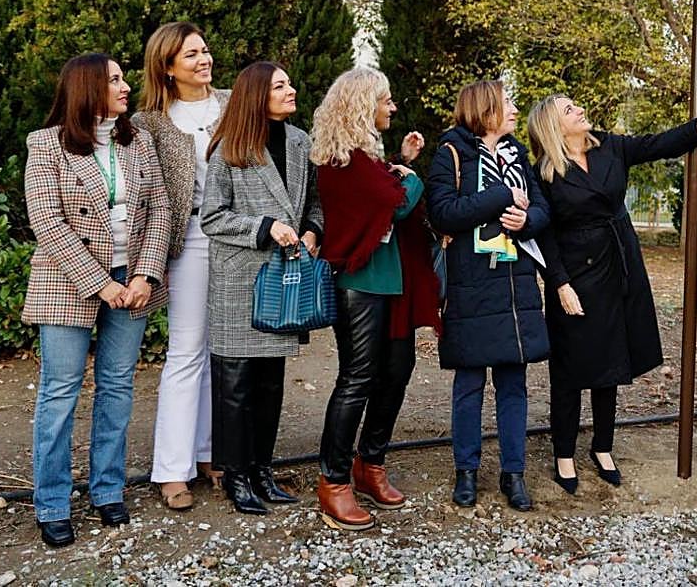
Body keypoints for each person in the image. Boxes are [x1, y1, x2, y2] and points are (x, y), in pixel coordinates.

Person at [527, 93, 697, 493]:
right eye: (570, 109)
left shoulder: (611, 146)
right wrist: (559, 283)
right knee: (571, 367)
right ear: (554, 125)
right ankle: (564, 452)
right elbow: (545, 235)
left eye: (577, 105)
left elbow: (661, 144)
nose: (580, 110)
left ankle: (603, 447)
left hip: (619, 264)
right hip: (574, 273)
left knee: (611, 361)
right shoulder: (544, 171)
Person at [22, 53, 171, 548]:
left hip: (134, 279)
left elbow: (160, 212)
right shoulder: (45, 144)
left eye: (123, 77)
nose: (125, 86)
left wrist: (146, 274)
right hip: (68, 282)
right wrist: (101, 284)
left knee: (117, 387)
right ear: (87, 88)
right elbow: (48, 224)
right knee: (60, 392)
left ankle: (108, 490)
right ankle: (52, 503)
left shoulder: (139, 140)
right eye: (114, 80)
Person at [311, 68, 440, 530]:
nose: (392, 107)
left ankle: (371, 464)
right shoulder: (342, 160)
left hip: (391, 283)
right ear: (365, 105)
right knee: (358, 378)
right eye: (385, 100)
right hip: (360, 285)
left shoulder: (368, 159)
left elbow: (386, 190)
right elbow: (396, 203)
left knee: (398, 369)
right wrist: (413, 178)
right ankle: (334, 479)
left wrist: (401, 164)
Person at [200, 62, 323, 515]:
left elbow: (314, 201)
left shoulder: (299, 141)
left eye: (290, 82)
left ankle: (262, 470)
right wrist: (265, 226)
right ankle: (235, 476)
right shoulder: (229, 149)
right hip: (239, 277)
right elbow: (212, 216)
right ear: (257, 95)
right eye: (279, 85)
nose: (291, 90)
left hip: (284, 280)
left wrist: (312, 229)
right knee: (235, 383)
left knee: (271, 382)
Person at [426, 80, 551, 512]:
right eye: (508, 103)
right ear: (486, 109)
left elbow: (541, 209)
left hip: (516, 284)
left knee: (514, 383)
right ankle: (466, 472)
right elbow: (442, 213)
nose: (516, 110)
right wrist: (500, 196)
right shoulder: (451, 154)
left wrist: (525, 220)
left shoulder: (518, 155)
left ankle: (513, 473)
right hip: (471, 285)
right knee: (470, 383)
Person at [134, 22, 229, 511]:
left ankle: (213, 453)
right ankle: (172, 469)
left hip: (236, 238)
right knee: (187, 347)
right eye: (190, 55)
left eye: (205, 50)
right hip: (189, 238)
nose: (203, 60)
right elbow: (146, 191)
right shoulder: (149, 121)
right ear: (167, 68)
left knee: (224, 348)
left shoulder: (234, 105)